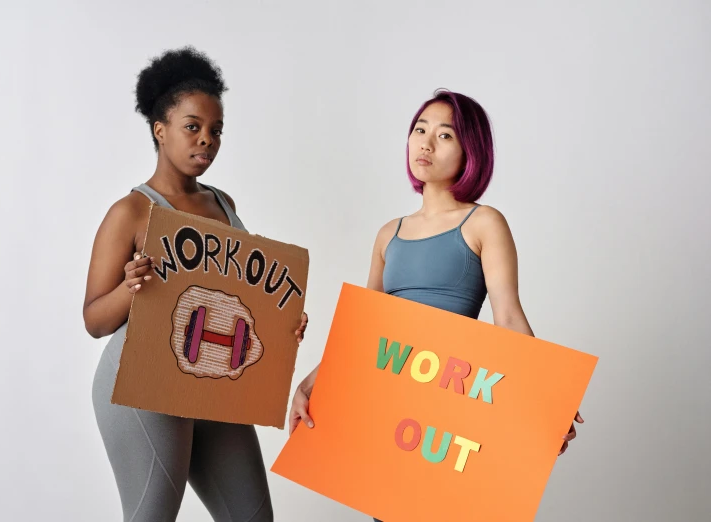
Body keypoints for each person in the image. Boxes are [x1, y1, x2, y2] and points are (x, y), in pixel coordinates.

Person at [286, 89, 582, 522]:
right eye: (419, 130)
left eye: (444, 135)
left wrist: (546, 398)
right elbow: (361, 330)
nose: (425, 142)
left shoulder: (484, 222)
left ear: (470, 152)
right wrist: (309, 385)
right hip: (390, 410)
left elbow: (509, 318)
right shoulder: (389, 233)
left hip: (450, 413)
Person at [84, 46, 308, 522]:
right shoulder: (130, 212)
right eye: (192, 127)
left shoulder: (222, 203)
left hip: (212, 379)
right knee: (152, 515)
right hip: (141, 381)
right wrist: (130, 287)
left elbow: (242, 292)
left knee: (252, 517)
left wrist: (282, 320)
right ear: (159, 130)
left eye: (215, 130)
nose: (205, 139)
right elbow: (93, 321)